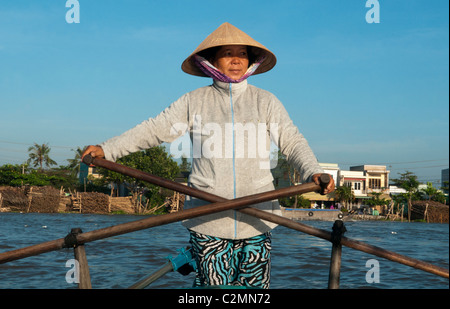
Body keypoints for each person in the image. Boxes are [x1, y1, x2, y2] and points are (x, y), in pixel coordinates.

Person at [81, 22, 335, 289]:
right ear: (213, 60)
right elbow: (154, 129)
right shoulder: (194, 101)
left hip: (259, 217)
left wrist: (312, 171)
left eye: (242, 54)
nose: (236, 60)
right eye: (227, 53)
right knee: (213, 290)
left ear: (251, 61)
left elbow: (293, 142)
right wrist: (108, 149)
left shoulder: (266, 101)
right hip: (208, 217)